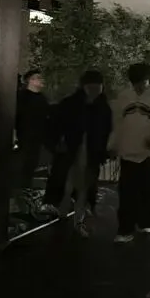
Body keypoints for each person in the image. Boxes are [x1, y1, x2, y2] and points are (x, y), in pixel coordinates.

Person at [107, 62, 150, 243]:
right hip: (127, 153)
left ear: (149, 79)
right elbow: (117, 125)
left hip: (149, 154)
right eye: (135, 83)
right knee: (126, 193)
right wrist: (113, 145)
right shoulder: (124, 97)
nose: (138, 86)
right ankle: (125, 229)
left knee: (148, 191)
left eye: (142, 82)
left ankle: (147, 222)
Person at [43, 70, 112, 237]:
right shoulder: (71, 104)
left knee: (83, 185)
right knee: (69, 182)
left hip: (90, 151)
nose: (94, 91)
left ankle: (76, 218)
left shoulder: (103, 107)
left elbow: (107, 131)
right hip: (72, 149)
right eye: (91, 88)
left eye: (97, 88)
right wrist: (56, 143)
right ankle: (66, 212)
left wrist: (106, 150)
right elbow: (55, 126)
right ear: (84, 86)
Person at [15, 69, 50, 190]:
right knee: (22, 163)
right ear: (30, 80)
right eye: (38, 78)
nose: (42, 80)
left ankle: (26, 187)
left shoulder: (42, 98)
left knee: (32, 163)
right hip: (24, 136)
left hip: (37, 136)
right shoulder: (21, 97)